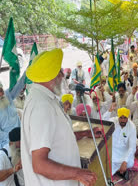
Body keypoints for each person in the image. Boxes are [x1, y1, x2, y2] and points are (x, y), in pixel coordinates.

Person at [22, 48, 97, 186]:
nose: (63, 75)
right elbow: (40, 165)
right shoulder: (41, 106)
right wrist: (78, 173)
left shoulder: (46, 98)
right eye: (60, 71)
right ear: (51, 75)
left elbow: (58, 138)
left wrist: (85, 133)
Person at [0, 73, 26, 150]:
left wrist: (27, 72)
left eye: (1, 91)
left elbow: (19, 85)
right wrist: (14, 136)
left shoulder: (7, 95)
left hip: (21, 134)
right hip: (6, 141)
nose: (1, 94)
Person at [103, 108, 136, 179]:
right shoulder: (113, 121)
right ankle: (119, 170)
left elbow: (132, 147)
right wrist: (109, 110)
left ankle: (118, 169)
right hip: (113, 151)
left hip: (124, 153)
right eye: (121, 118)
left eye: (125, 118)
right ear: (118, 117)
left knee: (130, 163)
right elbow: (103, 121)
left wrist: (125, 161)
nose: (123, 120)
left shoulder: (132, 127)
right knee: (105, 162)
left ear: (128, 118)